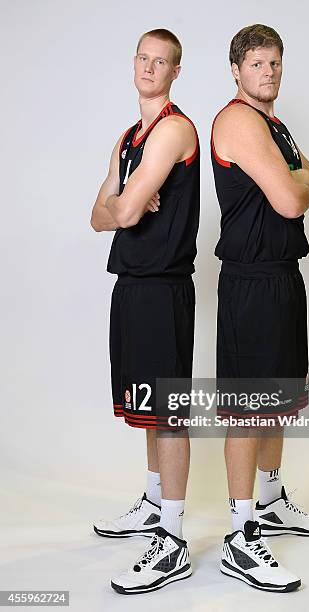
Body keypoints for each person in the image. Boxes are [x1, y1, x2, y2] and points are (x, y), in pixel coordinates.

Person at [211, 24, 309, 592]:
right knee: (246, 407)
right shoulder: (237, 120)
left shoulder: (275, 127)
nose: (269, 72)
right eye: (257, 64)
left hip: (285, 278)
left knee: (279, 400)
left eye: (275, 62)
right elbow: (292, 200)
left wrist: (298, 177)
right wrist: (297, 180)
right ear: (237, 70)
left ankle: (271, 498)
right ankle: (241, 534)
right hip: (251, 282)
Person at [90, 28, 199, 594]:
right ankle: (156, 504)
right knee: (147, 407)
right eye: (144, 58)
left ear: (175, 71)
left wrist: (124, 201)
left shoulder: (174, 129)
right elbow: (98, 214)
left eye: (162, 62)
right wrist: (124, 199)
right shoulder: (129, 137)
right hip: (131, 285)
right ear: (134, 63)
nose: (150, 68)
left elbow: (125, 211)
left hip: (164, 286)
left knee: (169, 413)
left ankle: (174, 539)